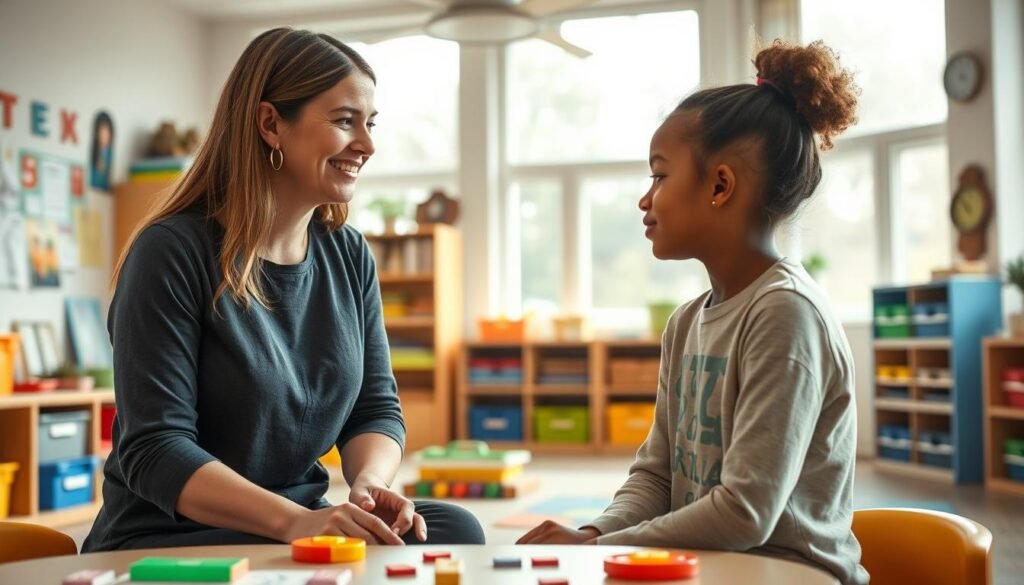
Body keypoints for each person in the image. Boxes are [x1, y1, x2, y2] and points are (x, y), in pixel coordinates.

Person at [83, 27, 484, 551]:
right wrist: (299, 525)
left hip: (298, 520)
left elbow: (375, 408)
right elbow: (156, 449)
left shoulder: (348, 253)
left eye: (370, 124)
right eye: (345, 122)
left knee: (454, 528)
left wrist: (368, 486)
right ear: (270, 123)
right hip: (178, 533)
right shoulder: (170, 251)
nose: (366, 145)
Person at [517, 40, 868, 585]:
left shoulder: (785, 314)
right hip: (709, 568)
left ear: (721, 186)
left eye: (659, 176)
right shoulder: (685, 323)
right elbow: (656, 476)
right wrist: (592, 534)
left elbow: (743, 512)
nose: (645, 199)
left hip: (787, 574)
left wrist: (604, 549)